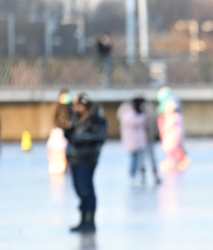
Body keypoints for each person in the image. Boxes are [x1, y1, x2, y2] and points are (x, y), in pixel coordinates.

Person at [61, 93, 108, 233]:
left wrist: (77, 138)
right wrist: (68, 132)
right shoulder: (76, 118)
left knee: (86, 189)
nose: (78, 108)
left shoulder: (96, 120)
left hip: (86, 159)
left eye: (81, 105)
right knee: (79, 189)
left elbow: (97, 137)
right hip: (74, 158)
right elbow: (71, 135)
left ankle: (90, 221)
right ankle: (83, 220)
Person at [117, 98, 148, 186]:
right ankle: (132, 175)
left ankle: (140, 175)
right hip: (133, 140)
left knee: (140, 159)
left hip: (138, 139)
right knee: (134, 158)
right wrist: (143, 117)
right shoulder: (129, 113)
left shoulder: (134, 112)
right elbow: (136, 122)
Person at [158, 98, 188, 171]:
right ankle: (176, 161)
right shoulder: (178, 117)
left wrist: (162, 133)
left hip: (171, 139)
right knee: (174, 151)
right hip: (174, 138)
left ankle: (175, 161)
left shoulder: (172, 118)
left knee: (173, 152)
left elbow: (165, 127)